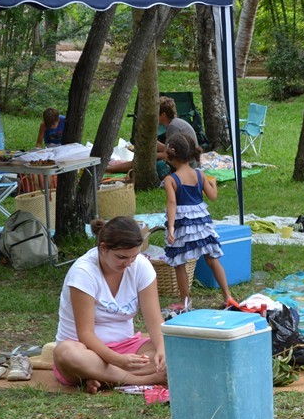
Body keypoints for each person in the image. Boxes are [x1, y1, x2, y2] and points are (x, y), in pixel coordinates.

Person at [52, 217, 166, 394]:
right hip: (86, 350)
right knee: (67, 353)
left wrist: (162, 350)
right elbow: (86, 335)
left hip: (127, 347)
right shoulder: (83, 272)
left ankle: (101, 377)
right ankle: (143, 380)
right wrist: (118, 360)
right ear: (103, 248)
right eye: (121, 257)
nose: (128, 263)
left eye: (134, 256)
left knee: (176, 348)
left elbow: (154, 320)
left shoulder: (141, 266)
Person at [163, 134, 237, 312]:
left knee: (179, 263)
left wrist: (171, 227)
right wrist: (214, 183)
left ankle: (185, 301)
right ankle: (228, 295)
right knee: (212, 259)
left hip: (182, 225)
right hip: (202, 222)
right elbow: (213, 196)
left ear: (172, 155)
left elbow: (172, 203)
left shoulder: (171, 180)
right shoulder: (200, 174)